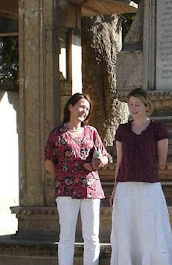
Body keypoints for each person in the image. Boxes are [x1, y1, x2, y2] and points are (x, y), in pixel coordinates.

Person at [109, 88, 172, 265]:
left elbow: (161, 161)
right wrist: (115, 189)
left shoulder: (157, 129)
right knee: (126, 230)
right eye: (130, 104)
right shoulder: (122, 130)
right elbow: (119, 162)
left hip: (149, 186)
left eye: (137, 104)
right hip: (125, 187)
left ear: (147, 106)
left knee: (150, 229)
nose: (133, 108)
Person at [44, 92, 109, 265]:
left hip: (91, 188)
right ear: (70, 107)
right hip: (66, 190)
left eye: (87, 108)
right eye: (81, 106)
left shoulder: (91, 132)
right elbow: (49, 162)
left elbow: (104, 156)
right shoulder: (57, 134)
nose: (84, 111)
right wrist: (64, 177)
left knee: (92, 236)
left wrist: (98, 162)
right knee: (66, 236)